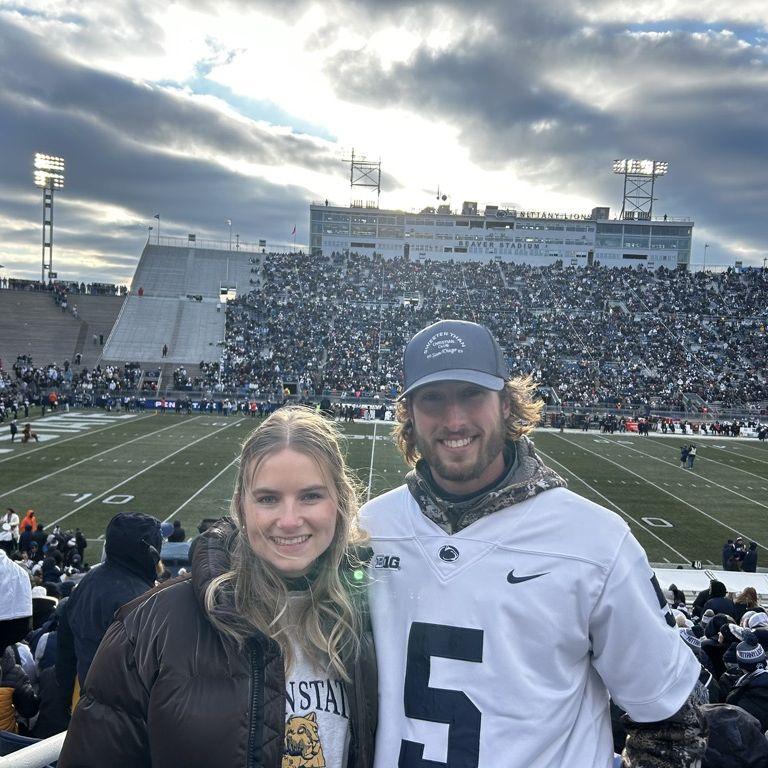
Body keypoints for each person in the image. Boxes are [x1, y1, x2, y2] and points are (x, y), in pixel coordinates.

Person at [360, 319, 703, 767]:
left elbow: (671, 721)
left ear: (506, 403)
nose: (454, 418)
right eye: (433, 399)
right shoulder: (370, 529)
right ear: (408, 413)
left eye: (471, 395)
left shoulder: (594, 540)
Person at [58, 407, 376, 768]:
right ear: (241, 505)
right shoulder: (148, 627)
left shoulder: (370, 618)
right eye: (268, 498)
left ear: (341, 501)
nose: (289, 520)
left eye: (311, 496)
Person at [56, 512, 163, 704]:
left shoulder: (89, 581)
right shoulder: (140, 598)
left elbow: (65, 643)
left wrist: (64, 695)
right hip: (126, 709)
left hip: (89, 697)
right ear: (150, 551)